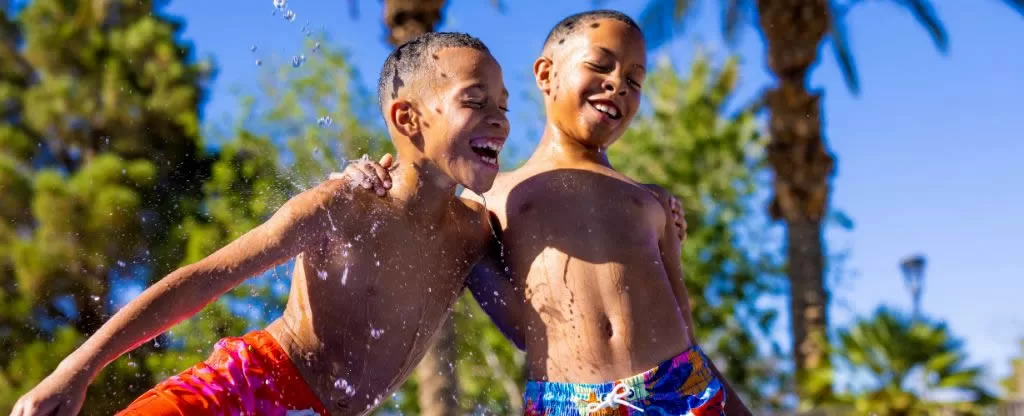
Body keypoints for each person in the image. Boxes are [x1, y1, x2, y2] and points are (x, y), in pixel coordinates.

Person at [11, 31, 510, 416]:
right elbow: (205, 279)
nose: (500, 120)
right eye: (475, 101)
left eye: (504, 107)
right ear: (407, 119)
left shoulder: (473, 233)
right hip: (244, 390)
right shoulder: (346, 205)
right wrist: (76, 370)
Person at [338, 10, 753, 415]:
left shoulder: (652, 200)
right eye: (600, 65)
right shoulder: (492, 197)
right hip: (569, 401)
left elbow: (685, 331)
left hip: (679, 389)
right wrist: (369, 182)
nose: (617, 84)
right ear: (545, 73)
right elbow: (522, 329)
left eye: (634, 80)